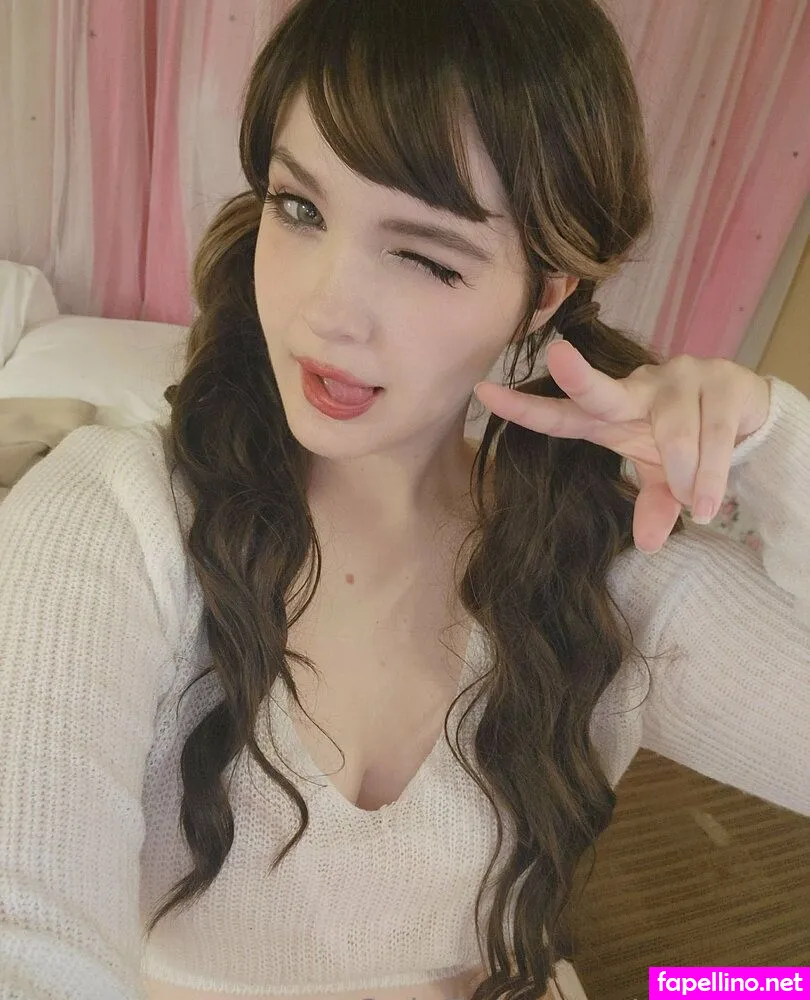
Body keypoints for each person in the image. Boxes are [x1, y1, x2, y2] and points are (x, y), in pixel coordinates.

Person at [0, 0, 808, 999]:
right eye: (301, 209)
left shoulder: (601, 566)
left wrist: (776, 442)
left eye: (426, 255)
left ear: (544, 293)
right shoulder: (112, 522)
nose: (326, 311)